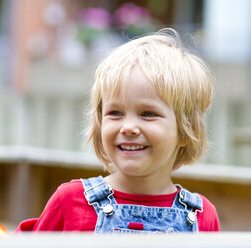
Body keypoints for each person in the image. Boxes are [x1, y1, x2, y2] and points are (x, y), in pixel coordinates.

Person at [16, 28, 220, 233]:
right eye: (115, 113)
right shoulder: (70, 201)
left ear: (185, 130)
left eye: (148, 114)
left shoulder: (202, 217)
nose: (128, 127)